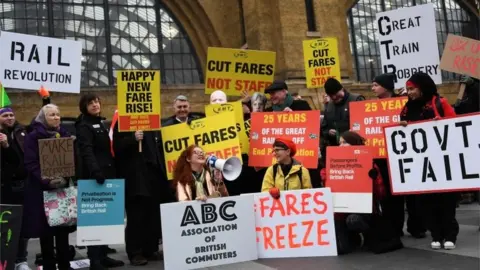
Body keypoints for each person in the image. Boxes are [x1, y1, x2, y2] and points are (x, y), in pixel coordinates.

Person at [399, 72, 458, 250]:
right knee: (427, 201)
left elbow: (455, 125)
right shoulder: (406, 108)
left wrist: (440, 123)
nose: (409, 92)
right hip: (421, 164)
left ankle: (450, 235)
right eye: (408, 89)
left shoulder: (440, 103)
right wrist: (401, 126)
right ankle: (436, 234)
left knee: (446, 200)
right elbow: (400, 132)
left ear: (421, 87)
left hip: (442, 162)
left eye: (412, 88)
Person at [331, 131, 403, 255]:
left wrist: (373, 180)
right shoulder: (332, 164)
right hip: (340, 212)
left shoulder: (369, 164)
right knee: (342, 249)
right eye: (340, 143)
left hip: (364, 211)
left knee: (353, 220)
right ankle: (354, 238)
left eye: (345, 142)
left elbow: (381, 193)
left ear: (355, 144)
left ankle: (369, 235)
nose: (341, 146)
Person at [75, 94, 125, 270]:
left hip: (108, 174)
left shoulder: (99, 122)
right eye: (91, 103)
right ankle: (95, 259)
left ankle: (103, 255)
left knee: (106, 218)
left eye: (97, 102)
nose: (95, 105)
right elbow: (87, 151)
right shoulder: (84, 126)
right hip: (96, 177)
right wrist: (96, 171)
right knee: (95, 219)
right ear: (84, 107)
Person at [22, 104, 74, 270]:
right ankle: (49, 266)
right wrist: (47, 180)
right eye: (52, 115)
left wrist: (65, 176)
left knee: (62, 230)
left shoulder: (64, 134)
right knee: (46, 232)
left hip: (62, 189)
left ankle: (65, 265)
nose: (56, 117)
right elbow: (31, 163)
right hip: (42, 191)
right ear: (43, 118)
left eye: (58, 114)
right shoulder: (32, 137)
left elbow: (69, 161)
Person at [113, 121, 171, 265]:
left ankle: (150, 249)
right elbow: (117, 147)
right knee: (136, 215)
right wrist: (133, 139)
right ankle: (135, 252)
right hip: (135, 177)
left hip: (153, 174)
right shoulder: (122, 122)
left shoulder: (152, 121)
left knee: (152, 214)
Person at [371, 73, 415, 238]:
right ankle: (394, 228)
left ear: (386, 86)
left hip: (402, 155)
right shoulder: (371, 107)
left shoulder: (403, 102)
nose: (373, 88)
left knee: (409, 194)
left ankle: (415, 226)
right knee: (388, 196)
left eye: (376, 85)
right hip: (382, 157)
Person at [0, 107, 32, 270]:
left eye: (11, 115)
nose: (10, 118)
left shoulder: (22, 132)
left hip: (20, 185)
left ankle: (21, 259)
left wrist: (6, 146)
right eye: (5, 115)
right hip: (3, 186)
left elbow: (17, 160)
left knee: (20, 224)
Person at [321, 78, 365, 154]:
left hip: (355, 149)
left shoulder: (356, 99)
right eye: (331, 95)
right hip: (336, 149)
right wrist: (328, 132)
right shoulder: (329, 106)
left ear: (342, 89)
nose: (334, 97)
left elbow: (365, 123)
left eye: (335, 94)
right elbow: (324, 127)